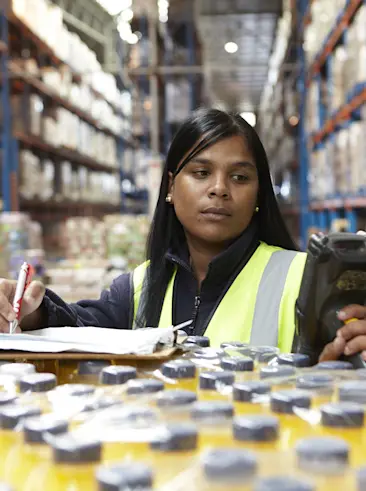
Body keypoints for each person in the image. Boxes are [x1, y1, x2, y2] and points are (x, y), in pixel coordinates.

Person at [0, 109, 365, 361]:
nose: (219, 189)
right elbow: (75, 329)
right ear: (172, 187)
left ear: (258, 196)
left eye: (240, 177)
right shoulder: (138, 290)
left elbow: (338, 366)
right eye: (201, 173)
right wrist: (30, 313)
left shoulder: (303, 278)